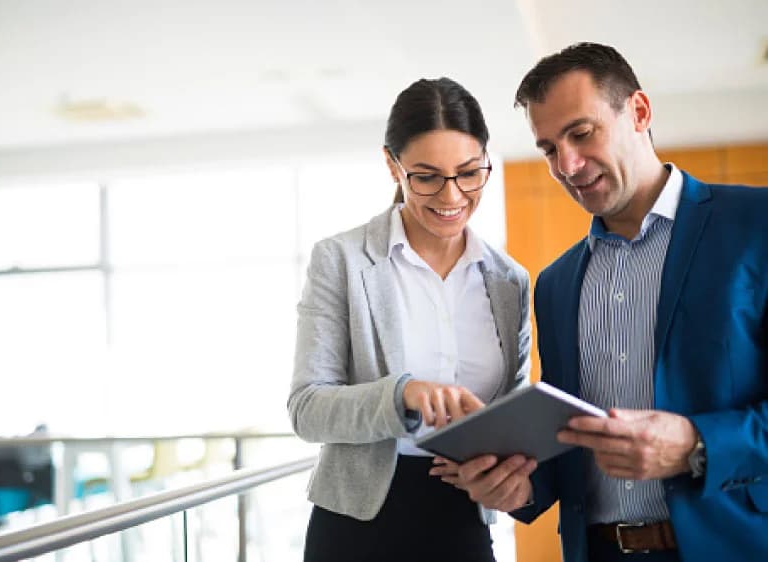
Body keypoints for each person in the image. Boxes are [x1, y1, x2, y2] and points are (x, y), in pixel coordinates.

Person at [447, 42, 768, 562]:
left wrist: (697, 444)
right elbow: (568, 442)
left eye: (581, 133)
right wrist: (518, 488)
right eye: (549, 148)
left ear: (638, 112)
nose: (567, 165)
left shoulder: (757, 225)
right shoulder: (555, 284)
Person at [288, 77, 533, 562]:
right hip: (357, 524)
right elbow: (307, 409)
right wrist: (403, 394)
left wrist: (506, 462)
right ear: (392, 166)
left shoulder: (510, 281)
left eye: (469, 172)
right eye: (427, 176)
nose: (452, 195)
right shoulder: (342, 260)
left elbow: (510, 411)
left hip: (464, 515)